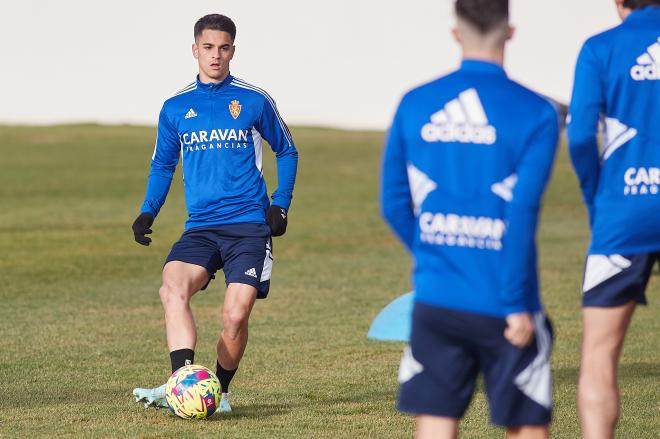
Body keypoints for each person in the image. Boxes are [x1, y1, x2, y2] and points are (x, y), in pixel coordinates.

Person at [381, 1, 560, 437]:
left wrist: (434, 255)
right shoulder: (537, 112)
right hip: (504, 302)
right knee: (526, 425)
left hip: (437, 299)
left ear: (456, 33)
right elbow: (522, 213)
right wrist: (518, 304)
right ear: (510, 32)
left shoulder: (415, 103)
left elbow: (393, 203)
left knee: (437, 425)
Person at [131, 13, 298, 414]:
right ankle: (182, 384)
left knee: (235, 316)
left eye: (223, 48)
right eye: (208, 47)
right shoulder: (175, 107)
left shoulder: (255, 100)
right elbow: (162, 165)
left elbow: (287, 150)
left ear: (233, 51)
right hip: (202, 229)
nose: (216, 56)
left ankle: (219, 393)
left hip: (249, 229)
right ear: (195, 50)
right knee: (172, 288)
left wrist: (281, 204)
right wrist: (147, 212)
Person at [567, 1, 660, 437]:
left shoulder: (600, 48)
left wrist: (595, 198)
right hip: (621, 214)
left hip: (623, 213)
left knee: (599, 354)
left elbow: (581, 135)